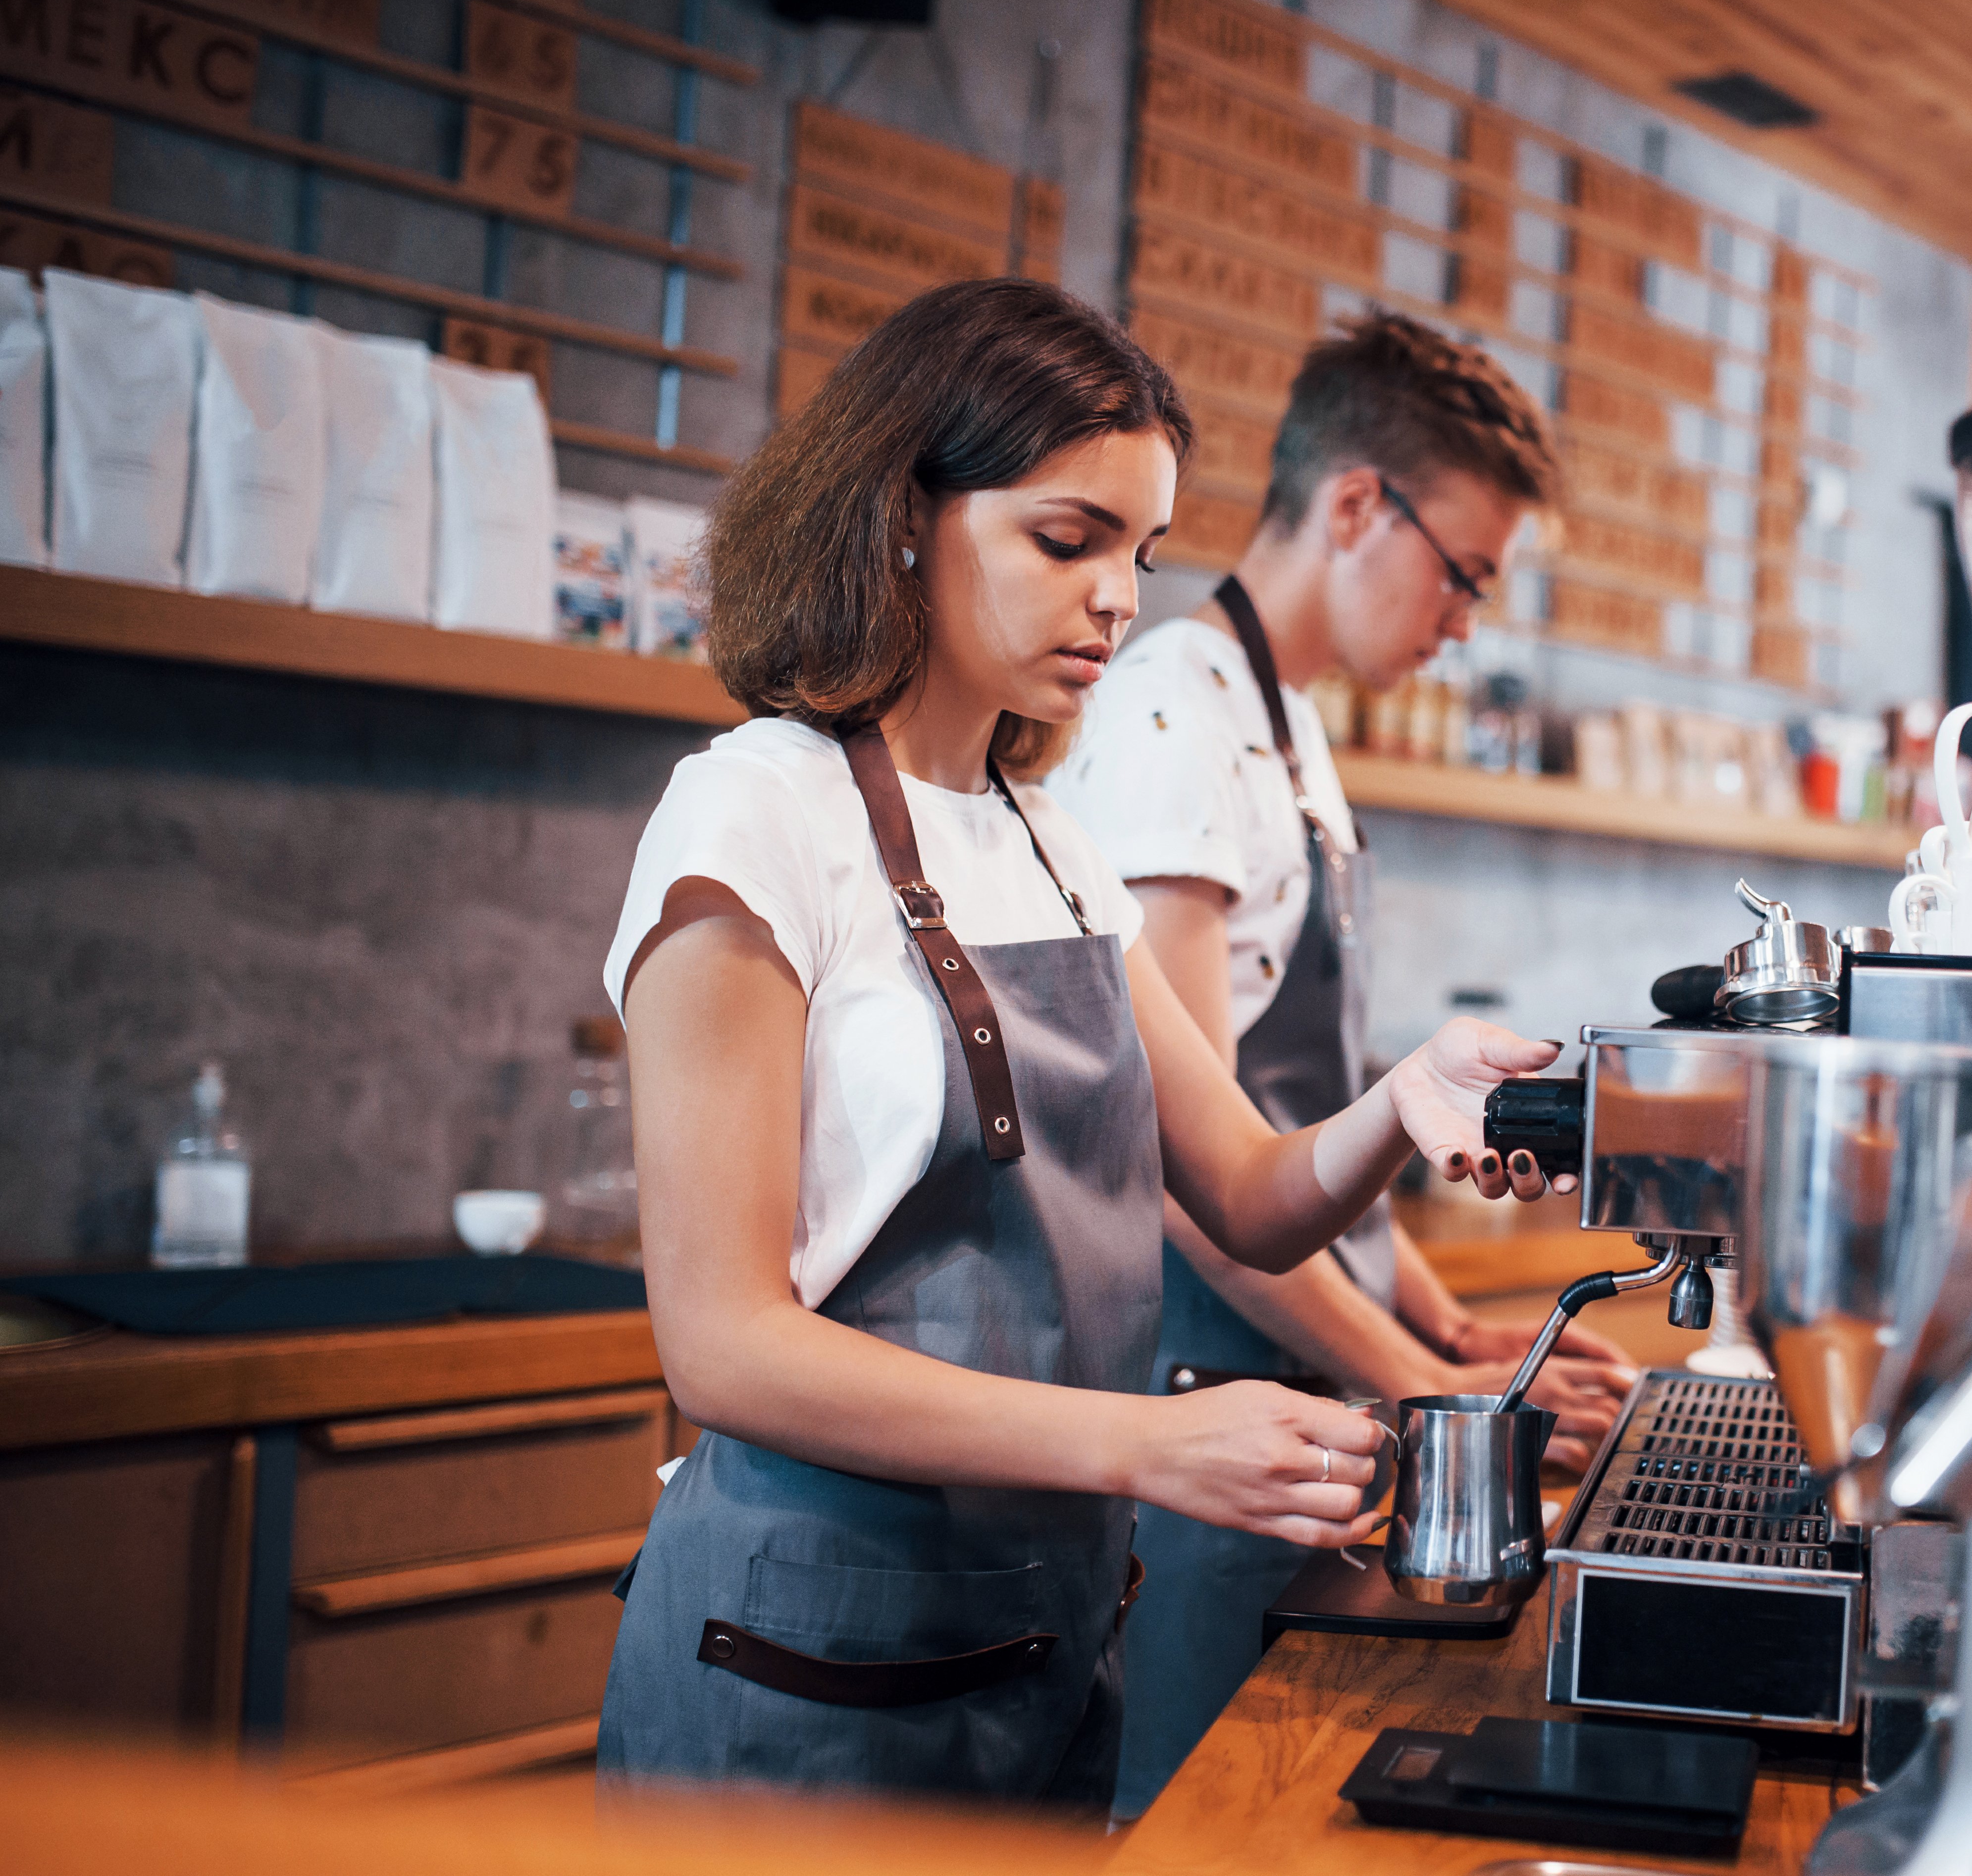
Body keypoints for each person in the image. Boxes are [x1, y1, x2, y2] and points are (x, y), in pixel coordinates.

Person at [593, 280, 1565, 1808]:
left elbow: (1244, 1186)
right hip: (805, 1665)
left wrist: (1403, 1099)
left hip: (1043, 1646)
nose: (1119, 597)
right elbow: (721, 1345)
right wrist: (1145, 1449)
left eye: (1142, 553)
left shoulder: (1048, 844)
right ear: (900, 515)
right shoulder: (751, 814)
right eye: (1069, 540)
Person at [1053, 312, 1636, 1819]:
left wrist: (1461, 1344)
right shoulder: (1174, 709)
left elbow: (1308, 1114)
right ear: (1361, 505)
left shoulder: (1292, 731)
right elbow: (1192, 1168)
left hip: (1317, 1392)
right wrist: (1441, 1389)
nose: (1468, 622)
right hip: (1218, 1389)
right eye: (1467, 573)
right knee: (1198, 1821)